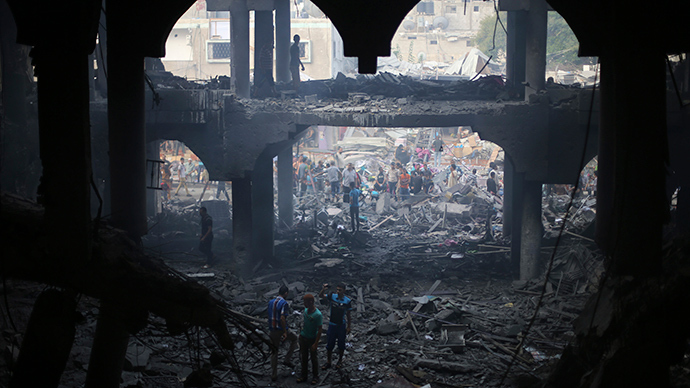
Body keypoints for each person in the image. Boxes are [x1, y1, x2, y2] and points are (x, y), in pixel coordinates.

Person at [318, 283, 352, 370]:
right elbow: (321, 296)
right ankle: (328, 362)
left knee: (341, 344)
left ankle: (340, 361)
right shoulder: (332, 296)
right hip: (332, 324)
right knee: (330, 344)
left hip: (341, 325)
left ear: (344, 290)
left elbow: (348, 315)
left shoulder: (347, 301)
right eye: (337, 290)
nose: (338, 292)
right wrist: (323, 289)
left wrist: (348, 326)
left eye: (340, 290)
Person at [268, 285, 298, 381]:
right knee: (294, 339)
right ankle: (287, 359)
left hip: (272, 329)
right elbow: (282, 318)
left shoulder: (271, 302)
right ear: (285, 293)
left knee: (274, 351)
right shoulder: (284, 303)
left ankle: (274, 374)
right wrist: (285, 332)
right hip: (280, 329)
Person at [297, 294, 322, 384]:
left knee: (313, 358)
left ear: (311, 302)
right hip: (304, 337)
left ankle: (315, 376)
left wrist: (316, 343)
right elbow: (305, 323)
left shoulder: (317, 314)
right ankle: (304, 375)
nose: (304, 303)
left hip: (312, 339)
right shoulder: (306, 311)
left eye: (305, 302)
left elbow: (319, 330)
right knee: (304, 357)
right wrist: (301, 333)